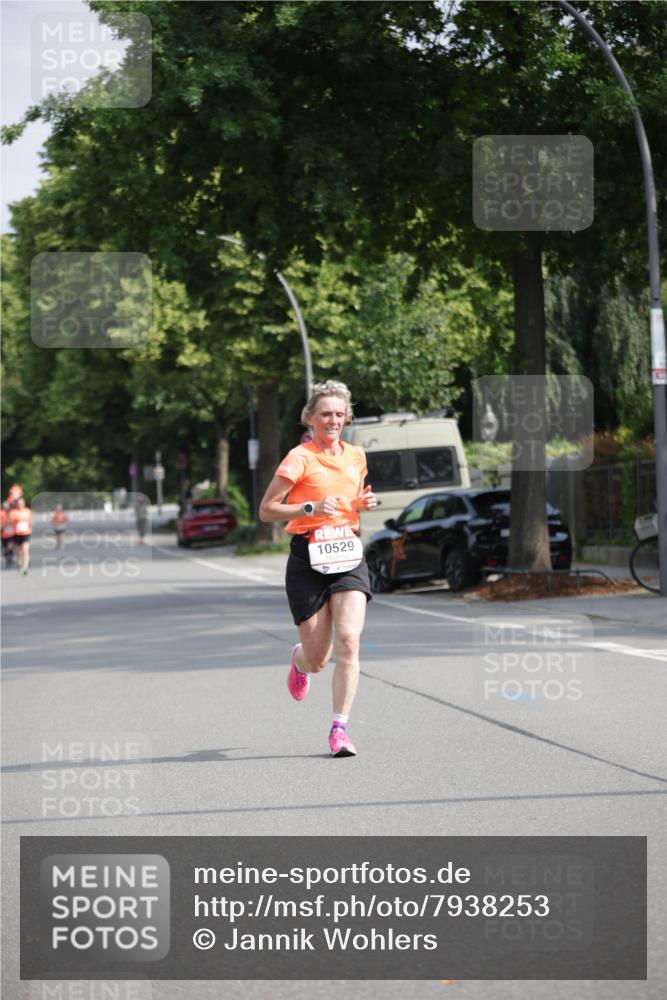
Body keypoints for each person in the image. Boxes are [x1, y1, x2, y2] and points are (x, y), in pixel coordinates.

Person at [259, 380, 377, 758]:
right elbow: (267, 510)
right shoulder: (299, 458)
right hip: (307, 559)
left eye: (340, 414)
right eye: (325, 413)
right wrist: (309, 508)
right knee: (318, 657)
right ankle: (300, 661)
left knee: (349, 641)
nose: (333, 420)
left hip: (347, 555)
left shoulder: (356, 456)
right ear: (309, 418)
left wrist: (361, 504)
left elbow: (350, 502)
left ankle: (339, 729)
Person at [10, 496, 32, 575]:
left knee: (25, 550)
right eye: (19, 503)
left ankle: (25, 567)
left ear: (24, 503)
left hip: (26, 533)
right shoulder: (13, 512)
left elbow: (31, 522)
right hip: (17, 533)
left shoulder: (28, 511)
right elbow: (10, 522)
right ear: (17, 504)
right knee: (19, 551)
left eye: (21, 503)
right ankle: (20, 563)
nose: (20, 504)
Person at [1, 501, 15, 566]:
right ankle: (7, 557)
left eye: (7, 506)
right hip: (3, 535)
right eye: (4, 506)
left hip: (11, 534)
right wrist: (4, 525)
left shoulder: (12, 513)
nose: (6, 508)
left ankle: (10, 557)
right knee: (5, 549)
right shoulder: (1, 514)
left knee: (10, 547)